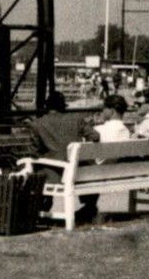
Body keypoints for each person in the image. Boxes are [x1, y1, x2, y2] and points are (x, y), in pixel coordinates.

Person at [26, 92, 100, 225]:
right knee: (86, 166)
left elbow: (34, 152)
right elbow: (95, 136)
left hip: (54, 175)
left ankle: (43, 205)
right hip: (78, 172)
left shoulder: (37, 124)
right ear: (63, 106)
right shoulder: (77, 120)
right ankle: (89, 207)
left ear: (47, 107)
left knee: (38, 167)